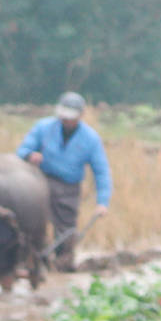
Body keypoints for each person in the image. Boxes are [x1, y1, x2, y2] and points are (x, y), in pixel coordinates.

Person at [16, 92, 113, 270]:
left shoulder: (90, 139)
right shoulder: (43, 127)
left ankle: (63, 264)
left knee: (66, 230)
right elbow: (23, 150)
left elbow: (101, 171)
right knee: (33, 222)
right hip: (40, 182)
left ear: (80, 116)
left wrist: (102, 202)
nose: (67, 121)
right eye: (64, 117)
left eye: (71, 118)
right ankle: (31, 259)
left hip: (69, 188)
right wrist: (30, 155)